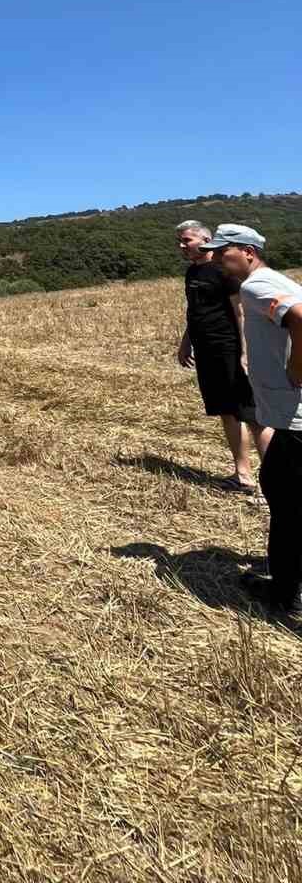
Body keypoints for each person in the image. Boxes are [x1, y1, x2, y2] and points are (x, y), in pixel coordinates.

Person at [201, 224, 302, 618]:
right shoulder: (276, 280)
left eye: (221, 251)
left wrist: (297, 365)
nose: (214, 258)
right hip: (291, 415)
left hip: (296, 419)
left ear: (246, 251)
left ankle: (286, 594)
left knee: (285, 498)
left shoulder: (255, 286)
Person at [174, 220, 270, 493]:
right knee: (227, 412)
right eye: (180, 242)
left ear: (205, 239)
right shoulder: (193, 273)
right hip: (207, 352)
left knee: (252, 415)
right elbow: (195, 310)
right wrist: (186, 343)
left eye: (187, 240)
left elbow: (241, 313)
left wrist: (245, 352)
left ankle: (275, 481)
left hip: (230, 350)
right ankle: (243, 475)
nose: (182, 246)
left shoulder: (223, 271)